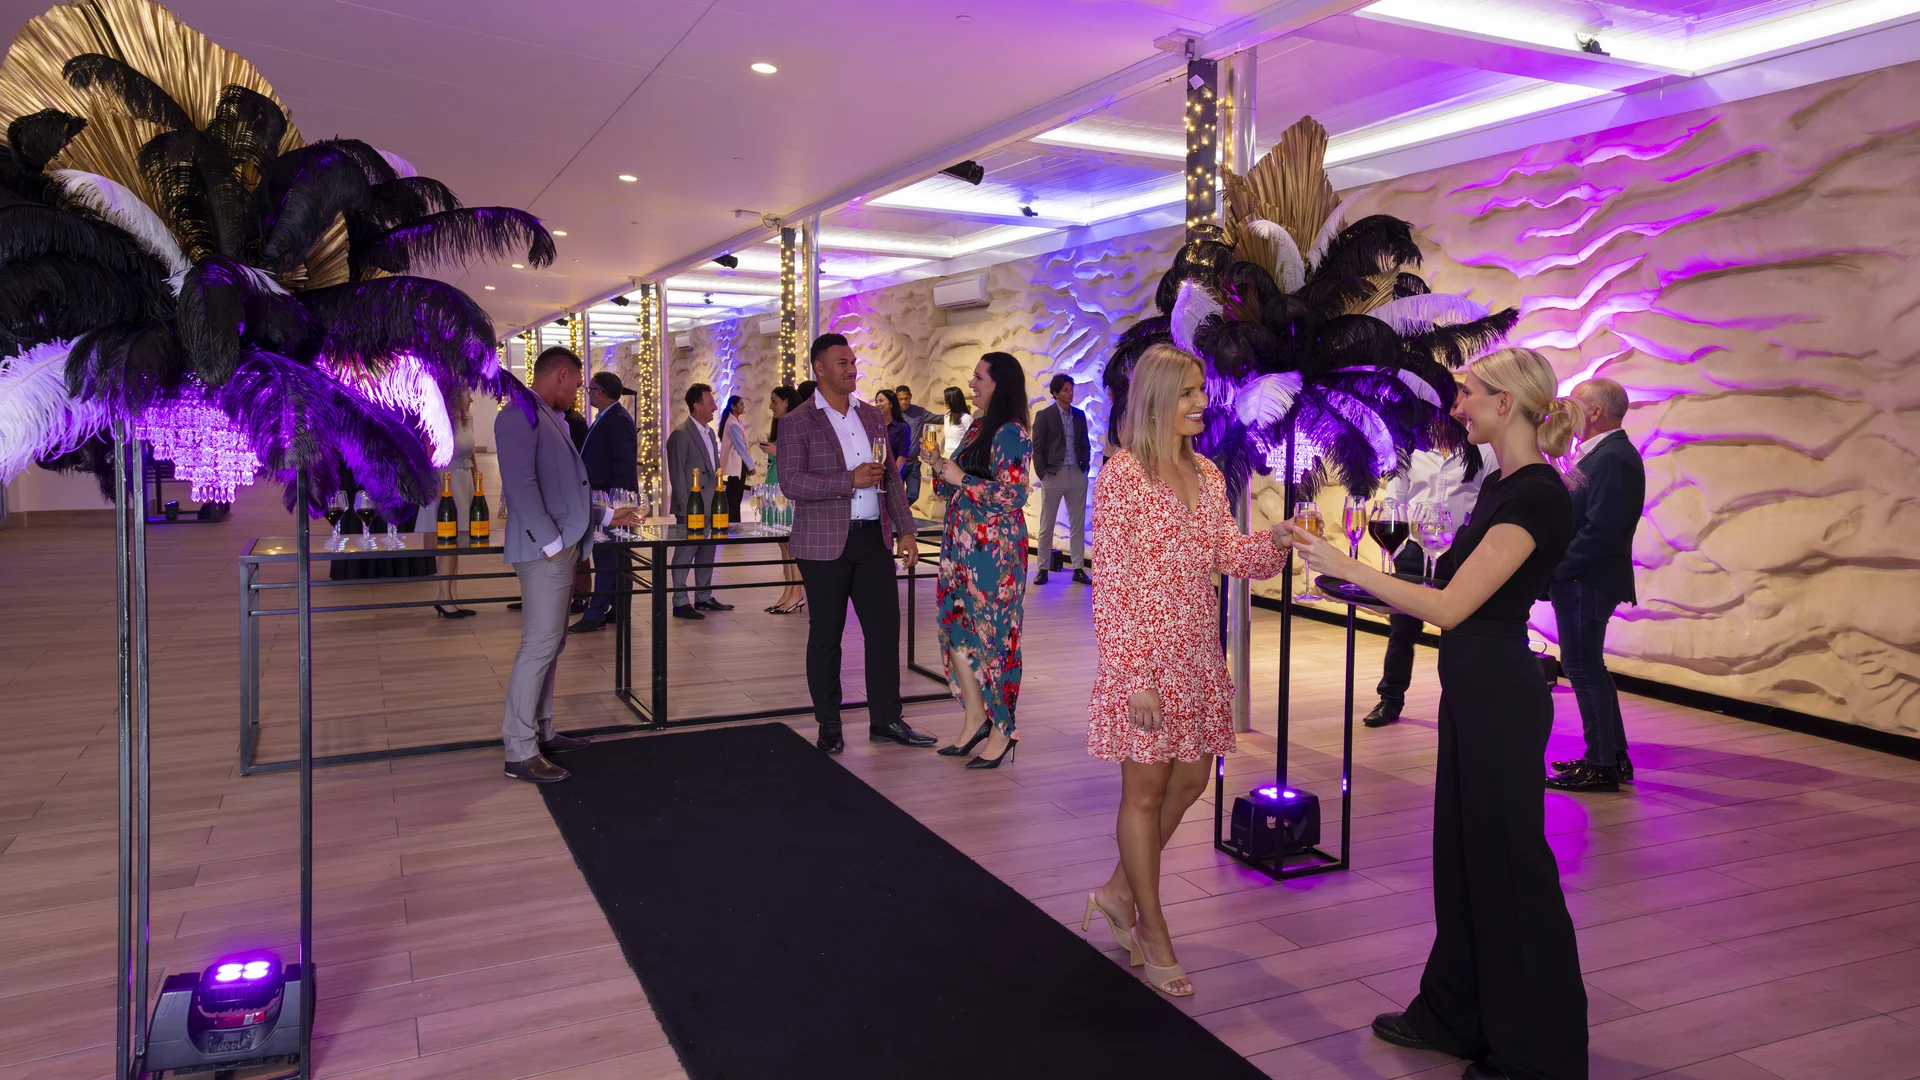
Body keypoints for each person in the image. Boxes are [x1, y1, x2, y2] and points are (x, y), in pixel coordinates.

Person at [1289, 346, 1587, 1080]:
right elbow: (1450, 581)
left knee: (1511, 870)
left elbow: (1455, 606)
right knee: (1463, 863)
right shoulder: (1501, 483)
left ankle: (1536, 1053)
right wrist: (1361, 585)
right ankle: (1456, 1013)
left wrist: (1349, 569)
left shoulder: (1538, 496)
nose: (1457, 407)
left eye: (1466, 393)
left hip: (1500, 700)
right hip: (1474, 691)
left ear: (1506, 404)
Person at [1083, 344, 1291, 998]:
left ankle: (1119, 890)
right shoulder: (1122, 477)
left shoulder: (1205, 472)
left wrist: (1276, 543)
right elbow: (1112, 583)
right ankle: (1152, 927)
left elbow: (1231, 554)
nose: (1202, 401)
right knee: (1143, 794)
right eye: (1188, 392)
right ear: (1154, 399)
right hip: (1143, 657)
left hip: (1198, 654)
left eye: (1202, 389)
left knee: (1194, 778)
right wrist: (1132, 674)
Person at [777, 333, 934, 754]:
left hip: (873, 540)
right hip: (822, 544)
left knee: (884, 630)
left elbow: (890, 480)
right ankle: (829, 722)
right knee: (826, 635)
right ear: (820, 369)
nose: (851, 368)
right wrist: (847, 480)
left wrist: (905, 530)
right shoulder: (796, 421)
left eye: (852, 361)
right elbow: (790, 482)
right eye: (842, 362)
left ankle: (885, 719)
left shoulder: (871, 416)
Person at [494, 347, 640, 784]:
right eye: (577, 384)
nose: (580, 393)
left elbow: (563, 490)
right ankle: (519, 750)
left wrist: (606, 516)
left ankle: (541, 731)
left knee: (551, 644)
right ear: (561, 374)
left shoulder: (544, 415)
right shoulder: (518, 414)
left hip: (560, 547)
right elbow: (520, 485)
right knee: (539, 646)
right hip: (545, 553)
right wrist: (554, 544)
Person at [933, 352, 1032, 769]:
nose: (971, 384)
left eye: (978, 378)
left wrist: (961, 478)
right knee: (957, 632)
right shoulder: (978, 425)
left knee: (994, 639)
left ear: (999, 383)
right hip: (960, 546)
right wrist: (941, 470)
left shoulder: (1012, 433)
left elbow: (1014, 495)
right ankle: (975, 717)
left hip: (994, 553)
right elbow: (957, 485)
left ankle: (1002, 729)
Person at [1546, 378, 1645, 793]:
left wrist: (1559, 570)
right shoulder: (1605, 455)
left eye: (1575, 403)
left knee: (1582, 668)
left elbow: (1601, 530)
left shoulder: (1613, 458)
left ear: (1596, 412)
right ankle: (1612, 755)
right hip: (1586, 578)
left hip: (1588, 579)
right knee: (1589, 667)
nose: (1567, 409)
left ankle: (1600, 763)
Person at [1363, 442, 1497, 726]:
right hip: (1412, 550)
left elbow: (1489, 503)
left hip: (1459, 551)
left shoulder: (1484, 450)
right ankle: (1390, 699)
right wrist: (1397, 549)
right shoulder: (1410, 448)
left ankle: (1460, 705)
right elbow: (1393, 500)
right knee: (1402, 630)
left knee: (1459, 631)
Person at [569, 373, 638, 634]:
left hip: (610, 500)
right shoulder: (609, 417)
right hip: (605, 498)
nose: (587, 394)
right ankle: (617, 609)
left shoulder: (616, 419)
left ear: (599, 392)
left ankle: (596, 613)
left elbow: (623, 464)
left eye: (589, 389)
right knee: (614, 556)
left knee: (608, 555)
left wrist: (613, 506)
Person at [666, 383, 731, 620]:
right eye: (710, 402)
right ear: (697, 405)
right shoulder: (680, 435)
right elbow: (677, 475)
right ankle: (679, 601)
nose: (715, 406)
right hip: (692, 506)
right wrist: (685, 509)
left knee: (707, 552)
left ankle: (703, 596)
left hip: (712, 504)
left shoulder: (710, 433)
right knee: (685, 553)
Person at [420, 389, 478, 618]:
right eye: (467, 394)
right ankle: (443, 597)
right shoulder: (435, 418)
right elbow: (430, 455)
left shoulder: (468, 418)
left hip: (464, 481)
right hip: (445, 482)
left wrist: (476, 481)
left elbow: (472, 456)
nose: (471, 398)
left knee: (458, 542)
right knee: (446, 542)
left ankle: (453, 595)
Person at [1031, 373, 1093, 585]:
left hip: (1077, 473)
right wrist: (1043, 474)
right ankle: (1042, 568)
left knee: (1077, 524)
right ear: (1056, 393)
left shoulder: (1079, 415)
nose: (1070, 393)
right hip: (1054, 475)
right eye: (1065, 390)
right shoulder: (1044, 415)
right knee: (1046, 524)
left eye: (1071, 389)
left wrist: (1086, 467)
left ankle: (1078, 568)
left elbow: (1085, 443)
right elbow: (1037, 448)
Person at [760, 385, 804, 614]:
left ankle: (796, 594)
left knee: (791, 544)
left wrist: (776, 452)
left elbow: (801, 457)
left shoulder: (797, 423)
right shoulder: (782, 426)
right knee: (783, 544)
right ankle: (788, 592)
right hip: (775, 489)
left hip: (787, 492)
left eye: (774, 401)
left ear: (786, 401)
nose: (770, 406)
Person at [718, 393, 754, 525]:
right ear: (733, 407)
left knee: (735, 497)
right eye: (741, 404)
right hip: (736, 465)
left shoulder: (736, 421)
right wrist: (751, 465)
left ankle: (733, 524)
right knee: (734, 498)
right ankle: (732, 525)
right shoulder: (733, 423)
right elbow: (740, 446)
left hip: (739, 464)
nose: (743, 406)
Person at [896, 385, 935, 504]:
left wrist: (957, 416)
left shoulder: (919, 412)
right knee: (896, 494)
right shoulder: (892, 414)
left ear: (910, 397)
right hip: (897, 462)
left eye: (906, 398)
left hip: (913, 462)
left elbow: (938, 418)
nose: (903, 402)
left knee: (913, 494)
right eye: (900, 399)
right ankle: (899, 517)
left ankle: (900, 513)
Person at [875, 388, 912, 479]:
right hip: (876, 476)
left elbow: (903, 455)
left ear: (891, 404)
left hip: (894, 475)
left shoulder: (902, 427)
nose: (878, 404)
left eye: (881, 401)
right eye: (876, 402)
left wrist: (892, 475)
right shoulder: (874, 426)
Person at [941, 386, 972, 456]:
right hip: (946, 456)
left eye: (946, 399)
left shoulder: (966, 418)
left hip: (959, 456)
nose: (944, 402)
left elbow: (971, 440)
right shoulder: (947, 417)